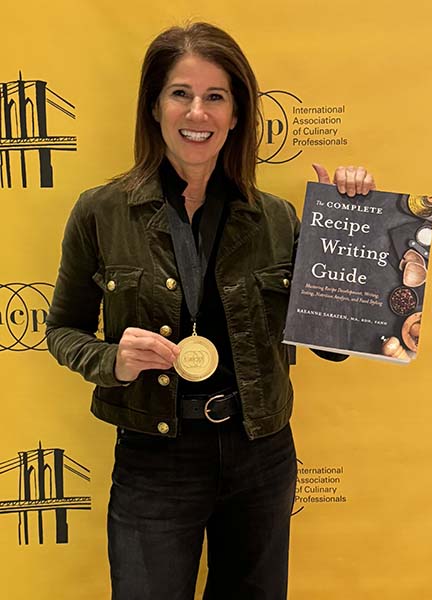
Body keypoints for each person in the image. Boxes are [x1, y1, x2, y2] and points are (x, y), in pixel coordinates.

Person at [46, 21, 375, 600]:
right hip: (155, 458)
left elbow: (330, 341)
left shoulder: (277, 219)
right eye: (181, 93)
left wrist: (350, 224)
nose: (197, 113)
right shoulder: (100, 212)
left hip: (262, 455)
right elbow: (62, 330)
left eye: (215, 97)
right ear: (154, 107)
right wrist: (111, 361)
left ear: (237, 114)